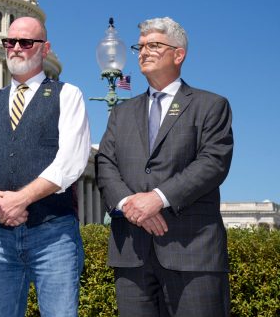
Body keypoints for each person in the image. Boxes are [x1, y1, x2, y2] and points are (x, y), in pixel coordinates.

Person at [96, 17, 233, 316]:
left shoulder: (211, 106)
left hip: (192, 253)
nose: (144, 52)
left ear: (178, 54)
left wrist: (158, 199)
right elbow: (105, 163)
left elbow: (213, 163)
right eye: (140, 47)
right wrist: (129, 204)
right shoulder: (121, 114)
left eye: (154, 45)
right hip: (131, 255)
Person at [0, 16, 91, 317]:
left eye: (25, 42)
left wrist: (20, 199)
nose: (15, 48)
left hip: (54, 234)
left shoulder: (67, 95)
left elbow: (71, 161)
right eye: (10, 41)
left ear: (45, 49)